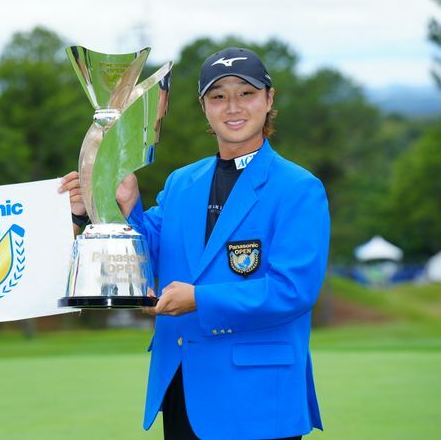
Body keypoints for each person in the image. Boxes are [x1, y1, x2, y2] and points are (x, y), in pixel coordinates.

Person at [60, 47, 329, 439]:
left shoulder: (299, 188)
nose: (232, 107)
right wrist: (113, 205)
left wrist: (198, 299)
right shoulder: (182, 182)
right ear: (204, 107)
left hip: (257, 400)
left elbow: (292, 291)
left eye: (246, 93)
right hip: (182, 388)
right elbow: (151, 251)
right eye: (218, 96)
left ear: (269, 100)